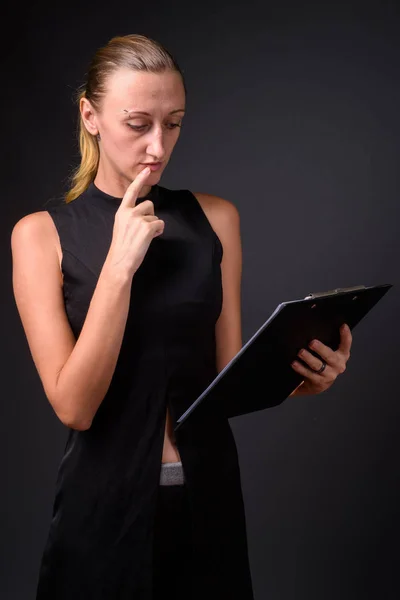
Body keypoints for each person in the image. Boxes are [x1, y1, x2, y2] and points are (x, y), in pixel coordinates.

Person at [11, 34, 352, 600]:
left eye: (173, 123)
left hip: (209, 502)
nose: (158, 144)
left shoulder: (216, 219)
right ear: (90, 116)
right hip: (103, 510)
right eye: (138, 122)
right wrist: (119, 266)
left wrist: (306, 377)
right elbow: (74, 405)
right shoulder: (41, 234)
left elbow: (225, 377)